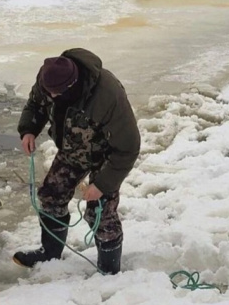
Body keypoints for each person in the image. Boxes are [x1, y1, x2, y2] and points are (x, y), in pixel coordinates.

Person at [13, 48, 140, 275]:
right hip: (73, 149)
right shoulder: (48, 77)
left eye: (56, 94)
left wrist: (102, 185)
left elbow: (128, 147)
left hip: (108, 155)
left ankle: (109, 271)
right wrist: (29, 130)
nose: (51, 97)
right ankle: (50, 254)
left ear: (72, 85)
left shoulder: (107, 95)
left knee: (100, 213)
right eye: (48, 92)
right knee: (51, 195)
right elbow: (36, 104)